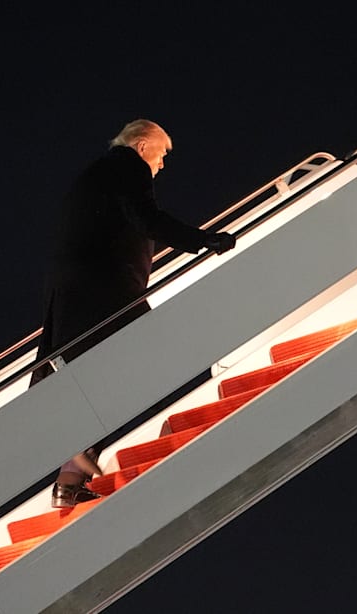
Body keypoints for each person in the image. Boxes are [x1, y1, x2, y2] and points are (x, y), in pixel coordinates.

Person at [31, 119, 236, 507]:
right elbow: (147, 218)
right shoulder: (128, 166)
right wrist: (203, 240)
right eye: (162, 154)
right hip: (105, 289)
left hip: (77, 290)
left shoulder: (94, 174)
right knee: (144, 359)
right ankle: (86, 450)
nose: (162, 164)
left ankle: (69, 479)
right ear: (143, 146)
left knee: (99, 375)